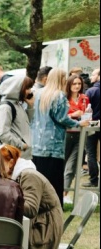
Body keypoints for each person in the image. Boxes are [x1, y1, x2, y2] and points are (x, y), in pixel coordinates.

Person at [0, 144, 64, 249]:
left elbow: (30, 209)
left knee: (4, 239)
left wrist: (2, 201)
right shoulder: (15, 175)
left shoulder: (28, 175)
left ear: (10, 162)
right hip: (36, 221)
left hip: (45, 226)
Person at [31, 68, 89, 205]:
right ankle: (54, 211)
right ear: (61, 79)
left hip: (38, 143)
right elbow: (62, 118)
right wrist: (78, 123)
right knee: (54, 183)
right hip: (53, 144)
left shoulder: (38, 93)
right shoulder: (59, 96)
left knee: (40, 180)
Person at [63, 73, 91, 199]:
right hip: (65, 133)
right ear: (69, 84)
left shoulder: (84, 98)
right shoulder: (63, 98)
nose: (77, 86)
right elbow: (59, 117)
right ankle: (58, 192)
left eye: (79, 83)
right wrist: (73, 115)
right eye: (74, 83)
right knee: (61, 163)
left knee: (72, 166)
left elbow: (87, 114)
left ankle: (64, 193)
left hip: (80, 133)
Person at [0, 75, 35, 158]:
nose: (30, 91)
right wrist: (22, 145)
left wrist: (30, 106)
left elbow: (26, 123)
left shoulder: (17, 104)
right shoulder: (5, 107)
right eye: (27, 88)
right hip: (14, 155)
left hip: (21, 154)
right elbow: (2, 134)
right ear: (17, 88)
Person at [83, 68, 100, 188]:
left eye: (93, 74)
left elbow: (85, 109)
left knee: (91, 152)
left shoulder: (91, 91)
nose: (91, 76)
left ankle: (94, 179)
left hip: (92, 125)